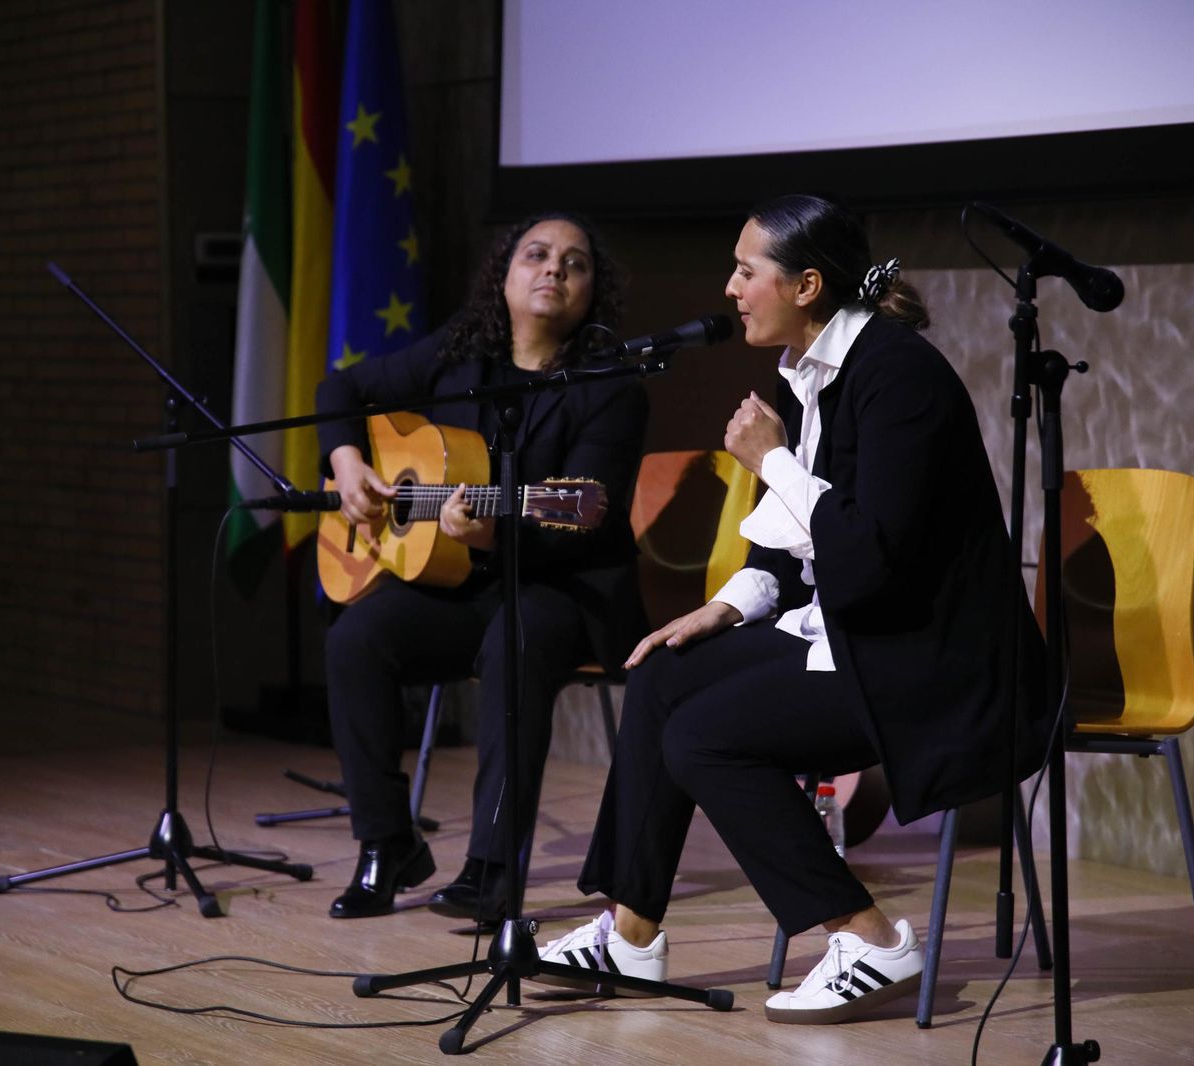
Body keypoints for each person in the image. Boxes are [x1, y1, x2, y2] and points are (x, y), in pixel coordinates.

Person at [534, 194, 1047, 1023]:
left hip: (926, 656)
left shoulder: (898, 378)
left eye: (747, 272)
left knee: (705, 738)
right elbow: (788, 546)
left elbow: (871, 554)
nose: (731, 289)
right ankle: (630, 934)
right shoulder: (806, 372)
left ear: (807, 285)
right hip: (851, 632)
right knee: (665, 671)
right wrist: (726, 607)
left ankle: (868, 936)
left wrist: (772, 461)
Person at [314, 212, 649, 919]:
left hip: (563, 588)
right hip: (463, 583)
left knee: (514, 642)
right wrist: (346, 463)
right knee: (356, 640)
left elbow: (586, 521)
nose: (554, 268)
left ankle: (492, 868)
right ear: (504, 274)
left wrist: (494, 536)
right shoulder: (459, 356)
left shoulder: (611, 386)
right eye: (537, 254)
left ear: (593, 291)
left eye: (575, 263)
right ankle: (386, 845)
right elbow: (339, 389)